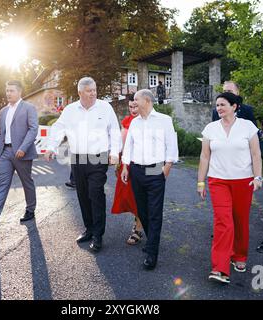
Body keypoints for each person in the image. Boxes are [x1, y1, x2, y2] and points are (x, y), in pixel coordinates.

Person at [44, 77, 121, 253]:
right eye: (89, 91)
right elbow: (58, 128)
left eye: (94, 90)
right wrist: (51, 147)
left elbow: (114, 131)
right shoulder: (70, 110)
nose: (93, 93)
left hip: (98, 158)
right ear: (80, 92)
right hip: (77, 158)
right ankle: (89, 229)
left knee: (95, 193)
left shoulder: (105, 107)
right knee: (83, 195)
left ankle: (98, 235)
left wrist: (114, 152)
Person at [198, 92, 262, 284]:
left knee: (240, 220)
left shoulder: (247, 127)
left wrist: (258, 176)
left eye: (223, 104)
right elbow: (204, 157)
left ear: (234, 106)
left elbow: (256, 154)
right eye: (217, 105)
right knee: (223, 221)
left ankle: (239, 255)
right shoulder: (210, 128)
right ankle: (219, 268)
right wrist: (201, 181)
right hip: (218, 181)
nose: (219, 108)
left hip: (244, 180)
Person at [121, 89, 178, 270]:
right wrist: (125, 167)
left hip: (155, 170)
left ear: (147, 100)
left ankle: (152, 252)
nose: (133, 103)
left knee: (154, 212)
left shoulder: (164, 120)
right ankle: (151, 240)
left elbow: (172, 145)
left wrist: (166, 168)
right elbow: (128, 146)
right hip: (136, 170)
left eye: (136, 99)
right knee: (142, 211)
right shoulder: (134, 123)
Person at [0, 80, 39, 227]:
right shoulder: (3, 111)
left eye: (11, 90)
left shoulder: (29, 108)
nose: (8, 93)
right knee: (2, 182)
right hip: (5, 152)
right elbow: (1, 134)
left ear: (19, 92)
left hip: (21, 152)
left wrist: (23, 148)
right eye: (7, 90)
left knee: (26, 182)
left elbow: (33, 129)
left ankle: (30, 210)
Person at [111, 94, 143, 245]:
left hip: (142, 163)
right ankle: (137, 222)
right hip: (126, 163)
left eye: (135, 106)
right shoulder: (126, 121)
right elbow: (120, 143)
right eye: (130, 107)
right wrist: (119, 161)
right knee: (129, 196)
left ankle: (138, 229)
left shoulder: (147, 121)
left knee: (139, 196)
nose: (133, 109)